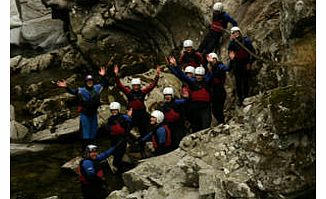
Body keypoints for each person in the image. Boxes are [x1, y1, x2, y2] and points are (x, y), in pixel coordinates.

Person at [56, 67, 108, 151]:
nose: (90, 82)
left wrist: (103, 76)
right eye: (88, 81)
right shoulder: (81, 90)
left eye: (91, 81)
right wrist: (66, 87)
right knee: (85, 133)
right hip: (85, 115)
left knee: (93, 132)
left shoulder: (97, 88)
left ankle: (92, 149)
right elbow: (73, 91)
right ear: (86, 82)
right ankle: (84, 149)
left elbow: (104, 83)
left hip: (94, 114)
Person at [167, 56, 213, 133]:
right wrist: (175, 66)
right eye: (197, 75)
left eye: (200, 75)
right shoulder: (193, 82)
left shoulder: (207, 81)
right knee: (196, 125)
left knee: (206, 124)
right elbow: (182, 76)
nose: (198, 77)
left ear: (203, 76)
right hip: (195, 106)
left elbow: (211, 73)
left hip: (205, 106)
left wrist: (211, 63)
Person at [114, 65, 160, 138]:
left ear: (139, 86)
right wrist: (116, 75)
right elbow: (120, 86)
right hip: (132, 114)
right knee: (127, 129)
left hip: (141, 114)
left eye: (137, 86)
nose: (136, 87)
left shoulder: (143, 92)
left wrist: (157, 75)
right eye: (134, 86)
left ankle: (143, 143)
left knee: (143, 131)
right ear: (132, 86)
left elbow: (152, 86)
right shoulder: (128, 92)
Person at [227, 26, 256, 106]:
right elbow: (230, 52)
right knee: (238, 82)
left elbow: (253, 52)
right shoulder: (232, 42)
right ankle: (240, 99)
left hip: (245, 63)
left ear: (239, 32)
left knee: (245, 81)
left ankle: (246, 96)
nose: (236, 34)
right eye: (234, 33)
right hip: (236, 64)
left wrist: (249, 63)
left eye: (237, 32)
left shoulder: (246, 41)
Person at [104, 102, 132, 172]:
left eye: (115, 110)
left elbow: (128, 127)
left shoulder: (124, 118)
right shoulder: (110, 119)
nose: (113, 112)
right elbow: (108, 130)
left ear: (118, 110)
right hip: (114, 140)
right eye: (112, 110)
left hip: (121, 141)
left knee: (116, 161)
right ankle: (122, 169)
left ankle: (124, 170)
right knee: (116, 155)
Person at [207, 52, 231, 124]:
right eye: (211, 59)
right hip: (214, 91)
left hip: (220, 90)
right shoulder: (210, 68)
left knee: (219, 109)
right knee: (214, 110)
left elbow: (227, 68)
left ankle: (222, 123)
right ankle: (221, 122)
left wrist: (232, 60)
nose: (213, 60)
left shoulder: (219, 66)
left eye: (214, 59)